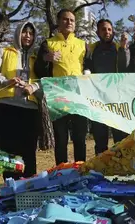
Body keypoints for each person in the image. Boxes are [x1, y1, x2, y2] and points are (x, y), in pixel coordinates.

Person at [0, 21, 41, 179]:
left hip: (30, 109)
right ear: (18, 33)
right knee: (8, 148)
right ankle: (10, 184)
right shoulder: (3, 52)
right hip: (6, 107)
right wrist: (4, 81)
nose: (27, 36)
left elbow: (45, 80)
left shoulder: (37, 58)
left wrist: (33, 87)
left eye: (31, 33)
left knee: (29, 149)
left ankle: (29, 183)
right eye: (24, 32)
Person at [35, 9, 88, 165]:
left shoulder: (82, 44)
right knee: (61, 137)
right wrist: (46, 58)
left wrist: (87, 72)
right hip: (58, 95)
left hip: (79, 95)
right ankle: (61, 171)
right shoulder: (48, 43)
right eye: (65, 19)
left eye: (72, 20)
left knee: (79, 136)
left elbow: (89, 65)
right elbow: (39, 69)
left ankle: (81, 169)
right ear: (58, 22)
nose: (69, 22)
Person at [84, 19, 130, 155]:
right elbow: (87, 67)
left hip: (117, 98)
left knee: (120, 137)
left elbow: (124, 68)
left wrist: (123, 48)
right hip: (98, 98)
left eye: (109, 29)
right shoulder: (91, 49)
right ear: (98, 32)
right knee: (100, 137)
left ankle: (120, 168)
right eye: (103, 29)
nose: (107, 32)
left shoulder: (118, 47)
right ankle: (100, 169)